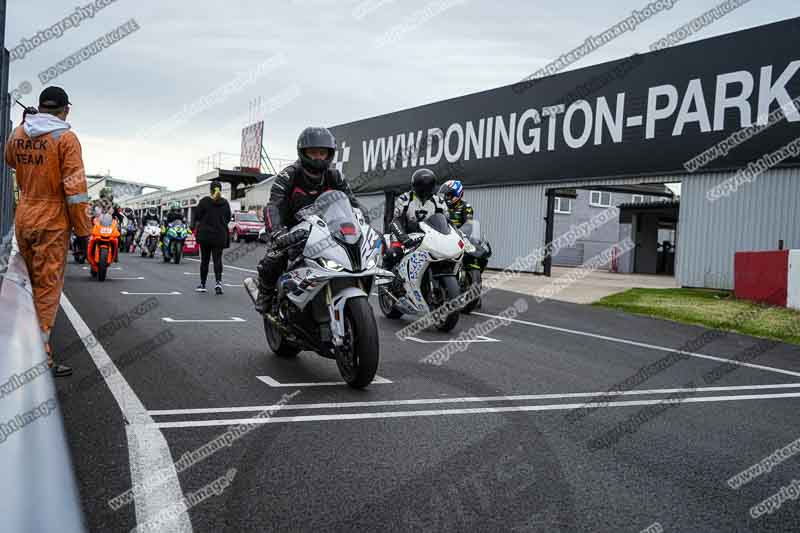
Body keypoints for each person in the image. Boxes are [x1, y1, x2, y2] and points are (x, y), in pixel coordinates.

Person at [4, 86, 91, 377]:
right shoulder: (66, 138)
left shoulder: (20, 133)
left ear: (40, 108)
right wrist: (83, 230)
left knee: (25, 285)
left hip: (24, 216)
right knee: (47, 290)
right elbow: (76, 190)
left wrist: (23, 124)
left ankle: (19, 346)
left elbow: (9, 160)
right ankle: (40, 358)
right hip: (52, 221)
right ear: (66, 110)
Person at [254, 126, 367, 313]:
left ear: (329, 154)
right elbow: (273, 205)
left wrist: (364, 223)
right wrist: (277, 232)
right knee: (275, 257)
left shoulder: (335, 175)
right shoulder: (289, 175)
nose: (318, 157)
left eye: (322, 153)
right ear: (303, 152)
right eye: (313, 152)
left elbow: (353, 203)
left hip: (327, 229)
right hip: (292, 230)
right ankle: (265, 293)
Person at [382, 168, 448, 278]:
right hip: (405, 235)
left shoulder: (439, 202)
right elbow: (394, 220)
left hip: (431, 238)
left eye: (428, 187)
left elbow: (447, 221)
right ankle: (385, 280)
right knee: (392, 254)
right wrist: (403, 237)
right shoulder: (405, 199)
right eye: (422, 187)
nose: (424, 191)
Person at [193, 180, 231, 294]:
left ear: (210, 190)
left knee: (205, 260)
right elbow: (228, 218)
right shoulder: (225, 203)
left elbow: (197, 216)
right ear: (220, 190)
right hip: (219, 236)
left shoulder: (204, 201)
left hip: (205, 235)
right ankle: (218, 283)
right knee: (217, 260)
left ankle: (203, 284)